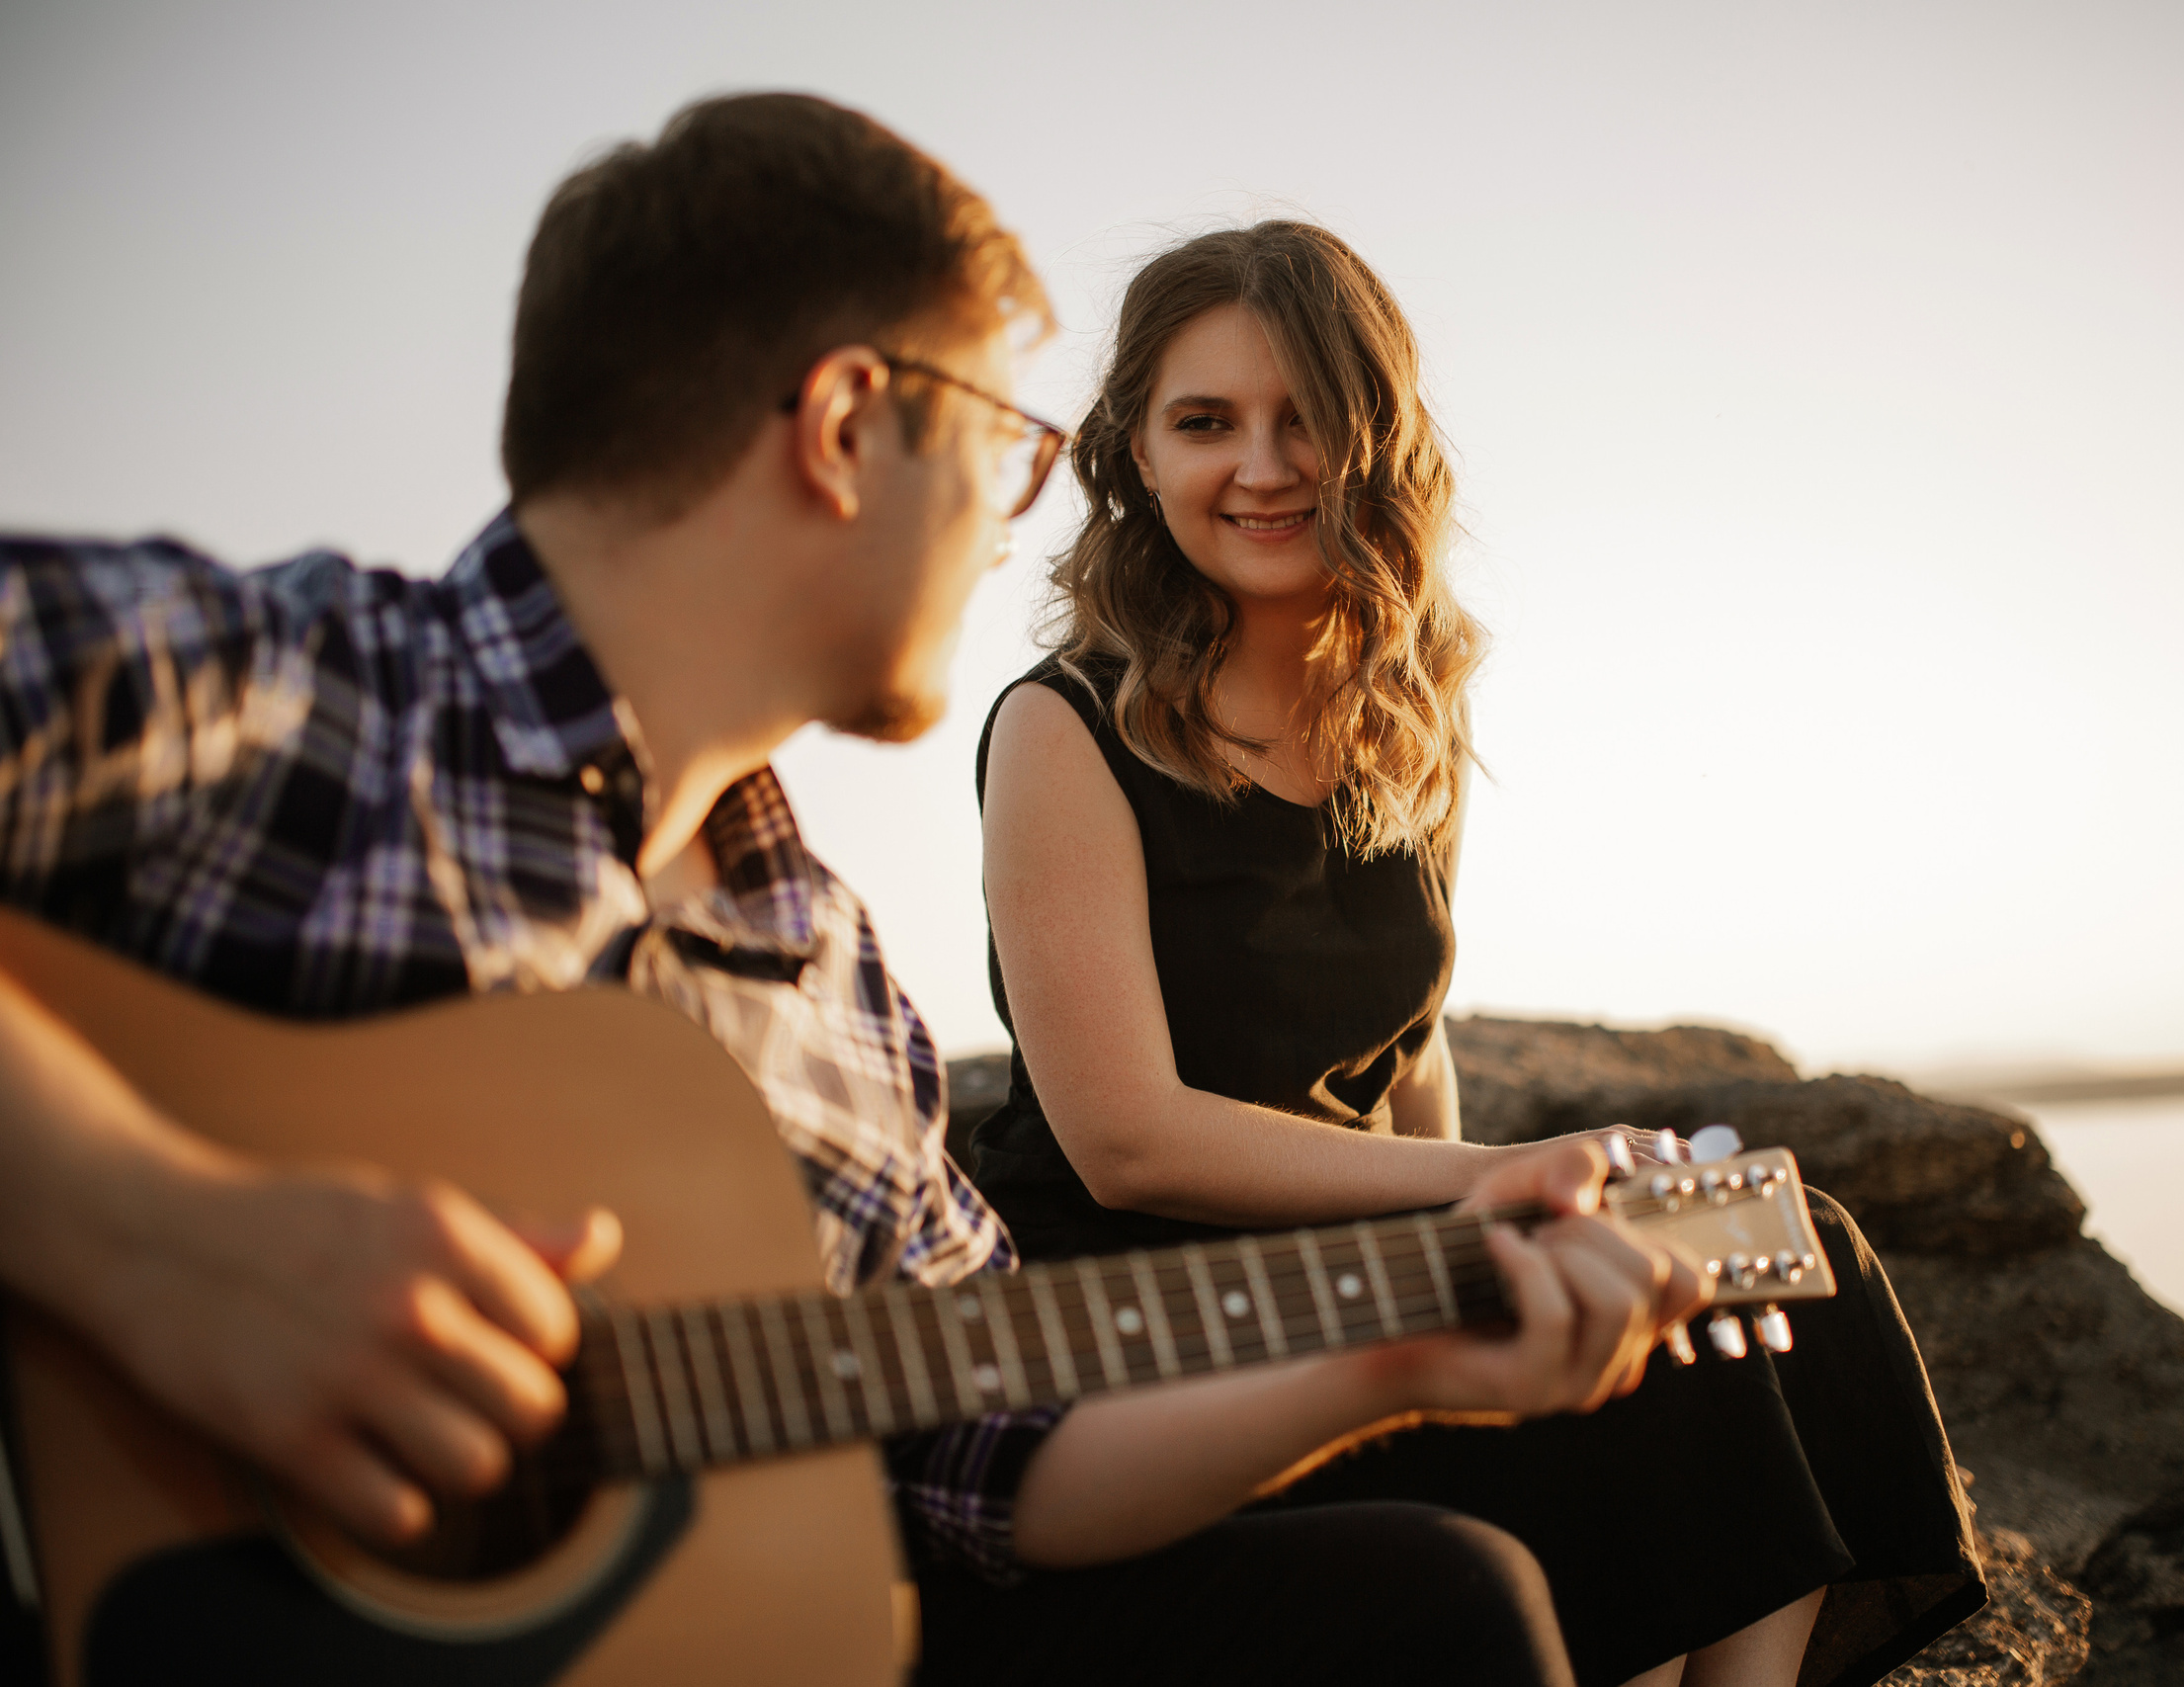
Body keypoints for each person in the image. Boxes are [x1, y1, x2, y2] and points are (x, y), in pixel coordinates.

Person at [0, 99, 1706, 1687]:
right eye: (999, 441)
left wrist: (1395, 1349)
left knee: (1429, 1608)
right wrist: (153, 1238)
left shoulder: (823, 985)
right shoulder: (292, 700)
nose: (1012, 516)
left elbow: (992, 1452)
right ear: (842, 429)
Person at [967, 221, 1985, 1687]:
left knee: (1774, 1246)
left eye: (1305, 419)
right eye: (1205, 423)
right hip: (1146, 1313)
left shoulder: (1402, 717)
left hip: (1352, 1251)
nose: (1260, 466)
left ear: (1377, 444)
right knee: (1652, 1362)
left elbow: (1406, 1045)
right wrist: (1490, 1190)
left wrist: (1495, 1241)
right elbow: (1127, 1140)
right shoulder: (1063, 724)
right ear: (1133, 450)